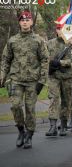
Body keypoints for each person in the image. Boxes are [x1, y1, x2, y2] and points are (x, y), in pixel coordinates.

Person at [0, 11, 49, 149]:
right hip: (16, 79)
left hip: (33, 80)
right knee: (15, 106)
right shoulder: (12, 41)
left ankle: (29, 135)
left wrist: (42, 81)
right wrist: (2, 77)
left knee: (30, 109)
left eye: (28, 20)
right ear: (19, 22)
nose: (25, 22)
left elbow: (45, 60)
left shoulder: (38, 40)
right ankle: (21, 130)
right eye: (23, 20)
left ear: (31, 22)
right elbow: (5, 60)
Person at [45, 20, 72, 137]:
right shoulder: (49, 43)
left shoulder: (71, 44)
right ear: (56, 31)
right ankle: (52, 126)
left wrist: (61, 63)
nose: (60, 31)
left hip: (67, 77)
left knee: (66, 101)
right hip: (53, 77)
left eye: (63, 29)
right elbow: (44, 57)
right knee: (54, 99)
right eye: (58, 29)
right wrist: (50, 64)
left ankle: (63, 124)